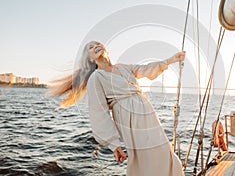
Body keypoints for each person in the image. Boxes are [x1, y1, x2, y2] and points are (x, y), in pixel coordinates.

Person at [49, 40, 186, 176]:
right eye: (91, 47)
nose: (96, 46)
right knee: (145, 157)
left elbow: (146, 69)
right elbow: (99, 112)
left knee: (164, 150)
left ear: (105, 49)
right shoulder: (96, 77)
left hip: (147, 112)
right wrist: (114, 145)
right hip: (129, 119)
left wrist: (171, 60)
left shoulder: (123, 67)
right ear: (90, 58)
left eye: (98, 44)